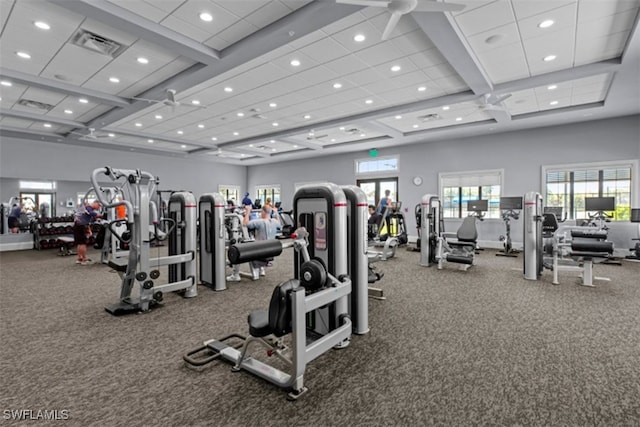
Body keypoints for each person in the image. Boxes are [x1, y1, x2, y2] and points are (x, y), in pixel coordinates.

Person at [227, 205, 281, 282]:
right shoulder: (275, 222)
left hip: (259, 253)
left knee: (237, 249)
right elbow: (280, 224)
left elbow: (244, 224)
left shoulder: (259, 222)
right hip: (270, 253)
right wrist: (276, 212)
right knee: (260, 242)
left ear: (263, 212)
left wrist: (248, 211)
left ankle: (235, 275)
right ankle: (261, 269)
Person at [74, 200, 102, 265]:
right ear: (95, 203)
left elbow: (89, 218)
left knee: (80, 243)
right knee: (83, 243)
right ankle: (84, 259)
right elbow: (91, 213)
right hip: (81, 226)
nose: (98, 208)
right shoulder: (88, 207)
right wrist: (100, 215)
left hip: (78, 225)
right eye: (98, 206)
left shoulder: (87, 208)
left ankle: (79, 258)